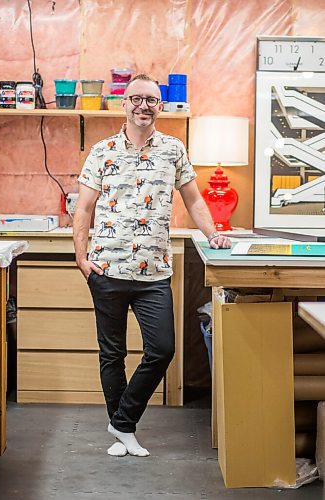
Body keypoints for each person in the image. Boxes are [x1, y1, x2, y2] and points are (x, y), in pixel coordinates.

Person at [73, 74, 231, 458]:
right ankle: (123, 431)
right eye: (137, 99)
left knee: (161, 349)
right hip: (107, 268)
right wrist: (81, 256)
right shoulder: (102, 150)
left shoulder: (173, 150)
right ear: (124, 104)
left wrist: (213, 234)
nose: (144, 106)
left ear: (160, 107)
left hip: (154, 274)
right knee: (111, 354)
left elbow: (194, 201)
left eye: (152, 100)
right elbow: (84, 207)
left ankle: (122, 421)